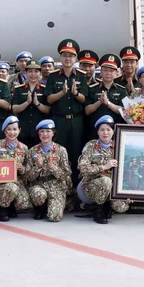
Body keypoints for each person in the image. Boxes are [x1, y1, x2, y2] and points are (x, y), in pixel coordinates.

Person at [44, 39, 89, 185]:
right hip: (59, 120)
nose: (68, 58)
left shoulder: (81, 75)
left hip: (76, 120)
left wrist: (75, 93)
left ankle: (76, 186)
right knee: (59, 153)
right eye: (65, 55)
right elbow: (49, 99)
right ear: (60, 58)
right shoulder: (53, 75)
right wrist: (62, 93)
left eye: (71, 55)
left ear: (75, 58)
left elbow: (84, 99)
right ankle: (60, 185)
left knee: (76, 153)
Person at [77, 115, 130, 224]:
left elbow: (127, 170)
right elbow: (82, 168)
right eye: (102, 130)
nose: (105, 133)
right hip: (91, 184)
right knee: (105, 181)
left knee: (122, 207)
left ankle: (107, 205)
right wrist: (104, 167)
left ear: (113, 131)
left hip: (112, 187)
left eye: (108, 129)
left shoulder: (119, 146)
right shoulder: (90, 146)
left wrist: (127, 192)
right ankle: (99, 211)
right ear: (98, 132)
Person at [26, 119, 72, 222]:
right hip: (39, 184)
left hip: (56, 185)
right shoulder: (32, 151)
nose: (45, 134)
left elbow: (67, 174)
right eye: (42, 131)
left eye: (48, 131)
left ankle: (56, 204)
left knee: (54, 217)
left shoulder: (61, 150)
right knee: (38, 193)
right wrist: (39, 166)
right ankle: (40, 209)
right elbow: (28, 177)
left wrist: (54, 168)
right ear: (38, 133)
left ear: (53, 133)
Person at [0, 116, 32, 220]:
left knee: (24, 203)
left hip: (18, 182)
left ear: (19, 130)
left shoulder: (24, 148)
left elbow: (28, 172)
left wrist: (21, 168)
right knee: (11, 187)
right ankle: (2, 209)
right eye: (9, 129)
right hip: (0, 184)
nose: (12, 132)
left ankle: (10, 205)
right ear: (4, 131)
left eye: (14, 129)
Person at [84, 54, 127, 140]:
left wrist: (109, 104)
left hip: (115, 129)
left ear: (116, 73)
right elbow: (87, 111)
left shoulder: (121, 90)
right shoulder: (92, 88)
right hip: (95, 129)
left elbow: (124, 111)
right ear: (101, 72)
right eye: (105, 70)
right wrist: (99, 102)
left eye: (111, 71)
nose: (108, 73)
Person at [11, 60, 50, 148]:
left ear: (40, 73)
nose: (33, 74)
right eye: (30, 71)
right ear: (26, 72)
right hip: (23, 130)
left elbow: (49, 110)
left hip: (40, 130)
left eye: (36, 71)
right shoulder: (19, 89)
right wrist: (27, 103)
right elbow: (14, 109)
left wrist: (37, 104)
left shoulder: (45, 89)